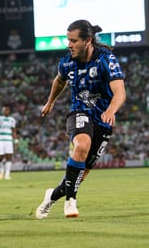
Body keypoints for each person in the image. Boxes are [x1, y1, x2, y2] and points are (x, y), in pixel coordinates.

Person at [35, 19, 126, 219]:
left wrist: (111, 110)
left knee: (80, 174)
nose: (69, 45)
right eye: (68, 40)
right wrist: (50, 102)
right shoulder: (67, 62)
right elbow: (59, 80)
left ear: (87, 41)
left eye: (73, 41)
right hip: (79, 112)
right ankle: (70, 201)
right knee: (82, 145)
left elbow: (120, 92)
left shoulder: (106, 59)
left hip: (103, 119)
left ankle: (52, 195)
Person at [0, 106, 17, 180]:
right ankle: (1, 171)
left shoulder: (12, 120)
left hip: (9, 140)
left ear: (9, 111)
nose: (6, 111)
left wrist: (16, 141)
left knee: (9, 156)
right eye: (4, 110)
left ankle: (7, 173)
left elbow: (14, 131)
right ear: (2, 111)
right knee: (0, 157)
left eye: (7, 110)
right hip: (0, 140)